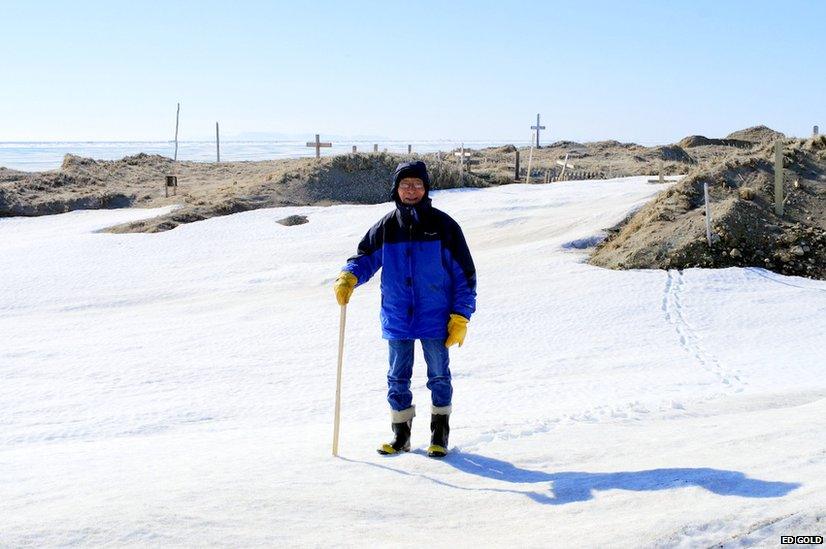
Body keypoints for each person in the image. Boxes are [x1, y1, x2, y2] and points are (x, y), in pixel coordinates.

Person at [333, 160, 477, 457]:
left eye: (417, 184)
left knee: (438, 375)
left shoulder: (444, 226)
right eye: (405, 184)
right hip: (397, 316)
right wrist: (349, 276)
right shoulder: (387, 227)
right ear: (396, 189)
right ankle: (401, 436)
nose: (411, 190)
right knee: (397, 377)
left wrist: (461, 315)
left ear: (426, 188)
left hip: (436, 317)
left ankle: (439, 436)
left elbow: (465, 275)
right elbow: (365, 258)